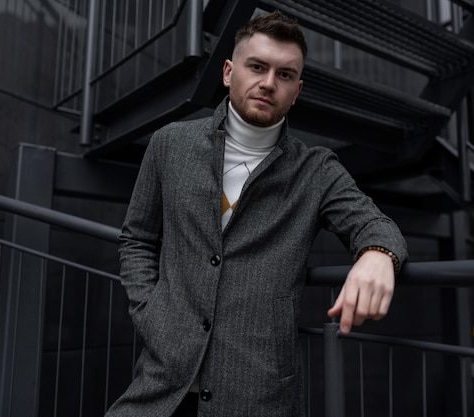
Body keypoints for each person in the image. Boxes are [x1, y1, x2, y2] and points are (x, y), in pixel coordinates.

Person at [105, 10, 408, 417]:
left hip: (257, 396)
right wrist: (151, 313)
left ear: (297, 91)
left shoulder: (316, 170)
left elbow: (376, 225)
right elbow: (137, 239)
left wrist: (378, 254)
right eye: (257, 67)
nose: (268, 82)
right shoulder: (170, 145)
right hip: (161, 386)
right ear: (229, 72)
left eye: (285, 75)